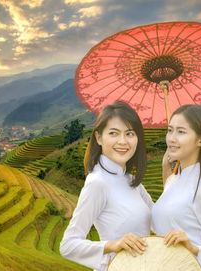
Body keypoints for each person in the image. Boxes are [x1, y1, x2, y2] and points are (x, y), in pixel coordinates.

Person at [60, 101, 153, 271]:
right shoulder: (98, 183)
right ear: (99, 138)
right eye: (114, 133)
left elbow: (159, 222)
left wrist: (171, 178)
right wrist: (112, 245)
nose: (123, 141)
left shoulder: (132, 181)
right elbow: (68, 245)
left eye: (130, 134)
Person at [152, 104, 201, 271]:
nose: (171, 138)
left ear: (200, 139)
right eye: (170, 130)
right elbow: (166, 219)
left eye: (181, 132)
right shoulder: (173, 179)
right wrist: (165, 170)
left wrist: (192, 248)